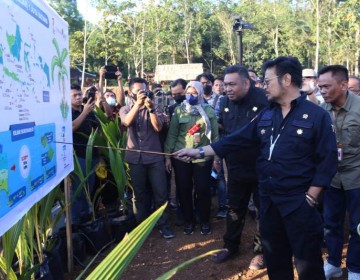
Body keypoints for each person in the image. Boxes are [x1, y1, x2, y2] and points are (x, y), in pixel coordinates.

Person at [174, 56, 338, 280]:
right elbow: (236, 139)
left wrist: (311, 197)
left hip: (299, 204)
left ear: (287, 79)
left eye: (268, 80)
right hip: (269, 201)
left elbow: (328, 161)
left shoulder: (316, 116)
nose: (264, 85)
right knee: (276, 260)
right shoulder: (267, 114)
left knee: (307, 263)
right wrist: (199, 151)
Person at [210, 65, 268, 270]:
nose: (227, 89)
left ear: (246, 83)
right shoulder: (224, 102)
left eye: (232, 84)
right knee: (234, 208)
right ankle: (230, 245)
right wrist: (217, 155)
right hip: (235, 167)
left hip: (261, 168)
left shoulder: (263, 100)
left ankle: (261, 252)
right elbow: (224, 134)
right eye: (225, 84)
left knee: (263, 211)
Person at [318, 65, 360, 280]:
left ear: (344, 85)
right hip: (332, 178)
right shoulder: (320, 111)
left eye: (327, 86)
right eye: (320, 87)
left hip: (357, 178)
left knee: (358, 226)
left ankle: (355, 268)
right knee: (331, 224)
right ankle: (333, 263)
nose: (322, 91)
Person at [119, 77, 174, 239]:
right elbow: (127, 122)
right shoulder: (125, 108)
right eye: (138, 91)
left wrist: (150, 109)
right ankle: (142, 228)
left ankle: (164, 225)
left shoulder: (156, 107)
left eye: (145, 90)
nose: (142, 94)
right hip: (135, 158)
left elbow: (158, 127)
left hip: (155, 158)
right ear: (131, 93)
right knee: (139, 195)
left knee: (161, 193)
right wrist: (138, 104)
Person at [164, 81, 219, 235]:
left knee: (202, 189)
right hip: (181, 156)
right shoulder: (179, 111)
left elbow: (214, 136)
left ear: (200, 93)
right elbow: (173, 135)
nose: (190, 95)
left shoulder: (208, 111)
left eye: (194, 93)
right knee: (184, 189)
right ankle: (189, 220)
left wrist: (216, 157)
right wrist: (168, 157)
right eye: (188, 92)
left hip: (202, 156)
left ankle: (204, 220)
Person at [70, 84, 100, 224]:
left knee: (90, 188)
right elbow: (72, 127)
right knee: (78, 191)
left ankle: (88, 218)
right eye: (74, 95)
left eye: (79, 94)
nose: (78, 97)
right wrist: (85, 112)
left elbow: (99, 129)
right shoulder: (67, 112)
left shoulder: (89, 111)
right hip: (78, 157)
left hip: (93, 157)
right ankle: (76, 222)